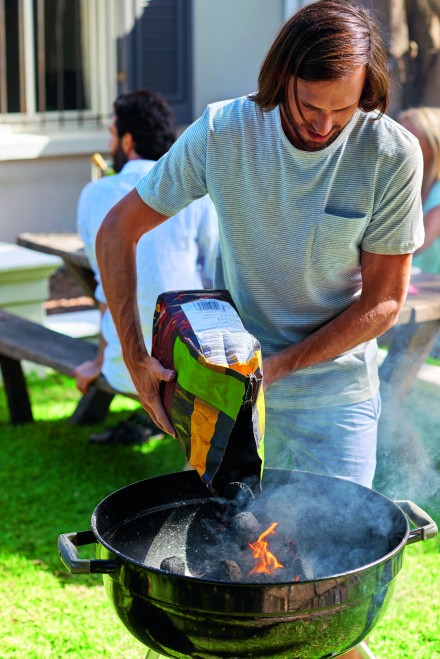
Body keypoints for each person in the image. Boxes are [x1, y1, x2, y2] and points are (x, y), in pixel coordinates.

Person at [73, 89, 219, 444]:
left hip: (124, 368)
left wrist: (98, 361)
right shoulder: (197, 196)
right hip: (188, 366)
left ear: (127, 140)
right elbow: (213, 272)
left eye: (111, 134)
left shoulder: (95, 194)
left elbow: (106, 286)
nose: (109, 143)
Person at [398, 107, 440, 273]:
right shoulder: (409, 185)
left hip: (432, 293)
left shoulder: (437, 193)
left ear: (433, 145)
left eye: (409, 138)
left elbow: (413, 247)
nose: (400, 145)